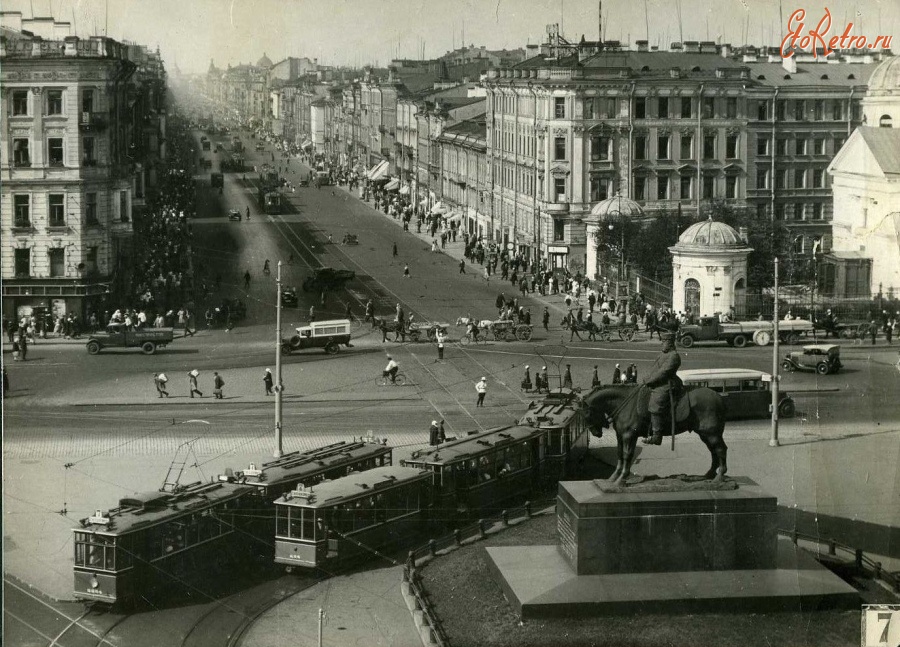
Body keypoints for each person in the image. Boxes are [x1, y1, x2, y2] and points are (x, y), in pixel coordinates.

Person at [642, 333, 682, 446]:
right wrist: (647, 377)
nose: (662, 343)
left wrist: (650, 381)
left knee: (656, 401)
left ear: (670, 343)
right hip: (660, 381)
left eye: (664, 342)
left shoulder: (673, 356)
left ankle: (657, 436)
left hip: (667, 384)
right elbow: (655, 369)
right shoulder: (664, 354)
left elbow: (663, 372)